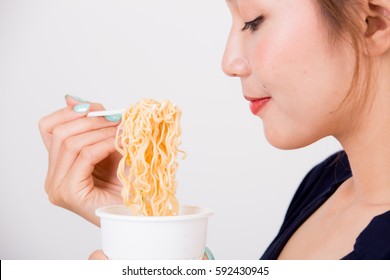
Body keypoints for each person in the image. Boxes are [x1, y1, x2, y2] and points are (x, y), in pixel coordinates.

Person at [39, 0, 390, 260]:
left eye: (253, 21)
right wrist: (147, 225)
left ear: (373, 22)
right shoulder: (327, 183)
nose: (229, 62)